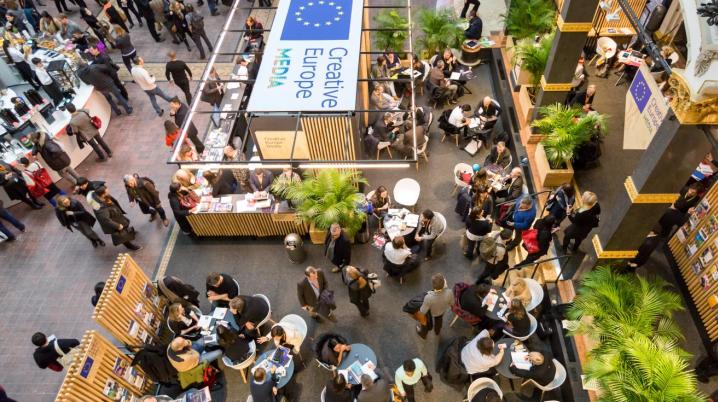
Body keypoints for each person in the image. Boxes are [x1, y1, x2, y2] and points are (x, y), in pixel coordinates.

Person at [93, 186, 142, 250]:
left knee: (125, 226)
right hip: (114, 222)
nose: (108, 191)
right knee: (121, 235)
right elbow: (106, 220)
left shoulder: (106, 196)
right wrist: (117, 226)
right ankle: (130, 246)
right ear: (103, 194)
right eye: (106, 191)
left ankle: (130, 233)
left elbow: (114, 202)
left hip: (117, 216)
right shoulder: (99, 207)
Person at [417, 273, 453, 338]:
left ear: (433, 285)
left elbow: (423, 311)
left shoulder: (429, 297)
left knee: (425, 321)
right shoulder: (450, 292)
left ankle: (423, 333)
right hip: (441, 312)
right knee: (439, 322)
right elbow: (452, 303)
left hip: (431, 312)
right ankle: (437, 331)